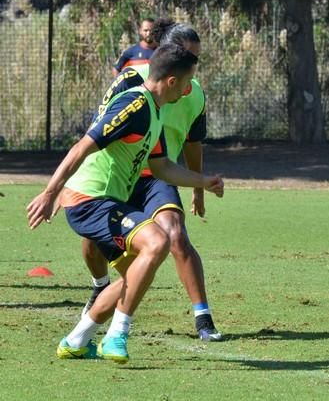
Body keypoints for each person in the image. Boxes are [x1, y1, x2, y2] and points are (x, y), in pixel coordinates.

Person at [27, 43, 224, 363]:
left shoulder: (155, 109)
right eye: (188, 82)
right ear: (172, 82)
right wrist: (51, 192)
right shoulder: (134, 105)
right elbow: (82, 146)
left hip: (104, 201)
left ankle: (76, 340)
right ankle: (117, 334)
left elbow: (161, 167)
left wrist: (204, 183)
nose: (190, 90)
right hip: (88, 199)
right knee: (157, 241)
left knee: (134, 277)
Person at [81, 22, 223, 342]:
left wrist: (199, 188)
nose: (194, 65)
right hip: (119, 175)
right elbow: (100, 127)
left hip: (158, 175)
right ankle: (100, 287)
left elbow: (192, 143)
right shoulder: (132, 79)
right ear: (166, 53)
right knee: (92, 244)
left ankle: (203, 317)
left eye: (197, 58)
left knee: (175, 234)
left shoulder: (194, 93)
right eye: (189, 56)